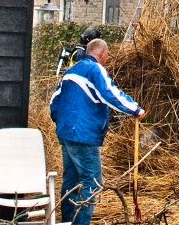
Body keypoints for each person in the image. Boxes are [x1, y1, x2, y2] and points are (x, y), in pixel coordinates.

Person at [50, 38, 145, 225]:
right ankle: (79, 223)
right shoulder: (95, 70)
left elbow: (54, 102)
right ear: (101, 53)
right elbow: (110, 93)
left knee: (71, 181)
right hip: (83, 135)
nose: (107, 59)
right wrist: (135, 109)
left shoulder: (70, 71)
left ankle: (68, 221)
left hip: (66, 133)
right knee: (92, 182)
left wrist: (62, 122)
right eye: (107, 55)